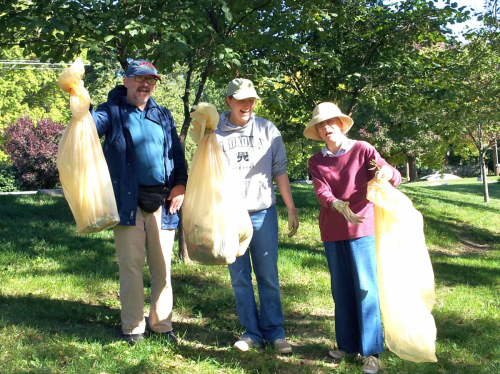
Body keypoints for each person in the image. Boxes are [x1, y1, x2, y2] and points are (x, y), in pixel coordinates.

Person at [90, 60, 188, 345]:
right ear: (126, 81)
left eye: (150, 80)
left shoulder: (163, 114)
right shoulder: (111, 111)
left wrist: (180, 184)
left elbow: (176, 155)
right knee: (131, 267)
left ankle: (161, 324)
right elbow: (90, 128)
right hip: (127, 202)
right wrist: (81, 106)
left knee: (162, 269)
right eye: (139, 79)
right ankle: (133, 328)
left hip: (163, 201)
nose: (145, 84)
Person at [304, 102, 402, 374]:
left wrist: (386, 172)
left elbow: (394, 176)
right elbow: (321, 192)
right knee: (341, 289)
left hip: (362, 229)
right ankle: (347, 345)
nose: (326, 128)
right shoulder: (316, 161)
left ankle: (371, 352)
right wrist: (337, 205)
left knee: (365, 289)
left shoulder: (363, 150)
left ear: (341, 124)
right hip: (333, 230)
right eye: (321, 125)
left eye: (331, 122)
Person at [215, 78, 299, 354]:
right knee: (239, 277)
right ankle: (251, 332)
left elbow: (280, 170)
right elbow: (208, 175)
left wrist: (290, 207)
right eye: (241, 100)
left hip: (263, 212)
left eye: (251, 100)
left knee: (267, 274)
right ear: (228, 101)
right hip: (229, 215)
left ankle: (275, 333)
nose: (247, 105)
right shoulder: (214, 134)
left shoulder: (267, 129)